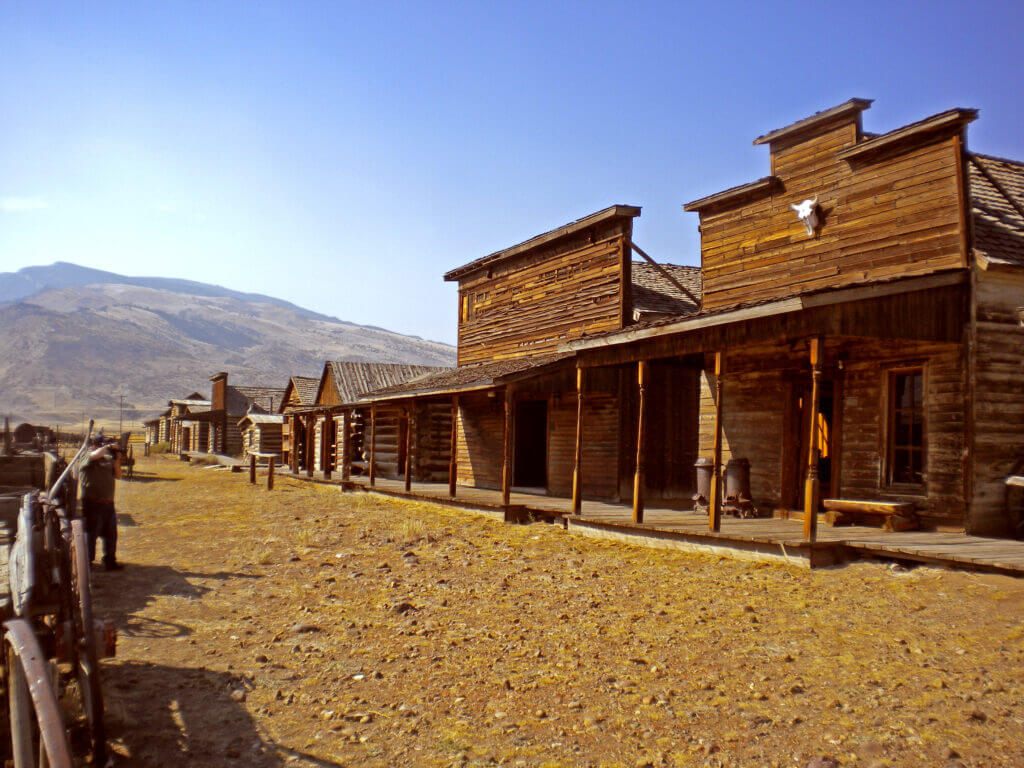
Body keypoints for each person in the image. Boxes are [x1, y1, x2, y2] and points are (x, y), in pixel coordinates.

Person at [79, 435, 123, 571]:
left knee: (111, 534)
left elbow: (118, 475)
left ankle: (110, 561)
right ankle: (88, 563)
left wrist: (117, 460)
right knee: (91, 535)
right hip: (93, 503)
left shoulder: (107, 459)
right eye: (101, 445)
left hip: (108, 503)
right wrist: (108, 447)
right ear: (94, 445)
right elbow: (94, 455)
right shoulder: (86, 456)